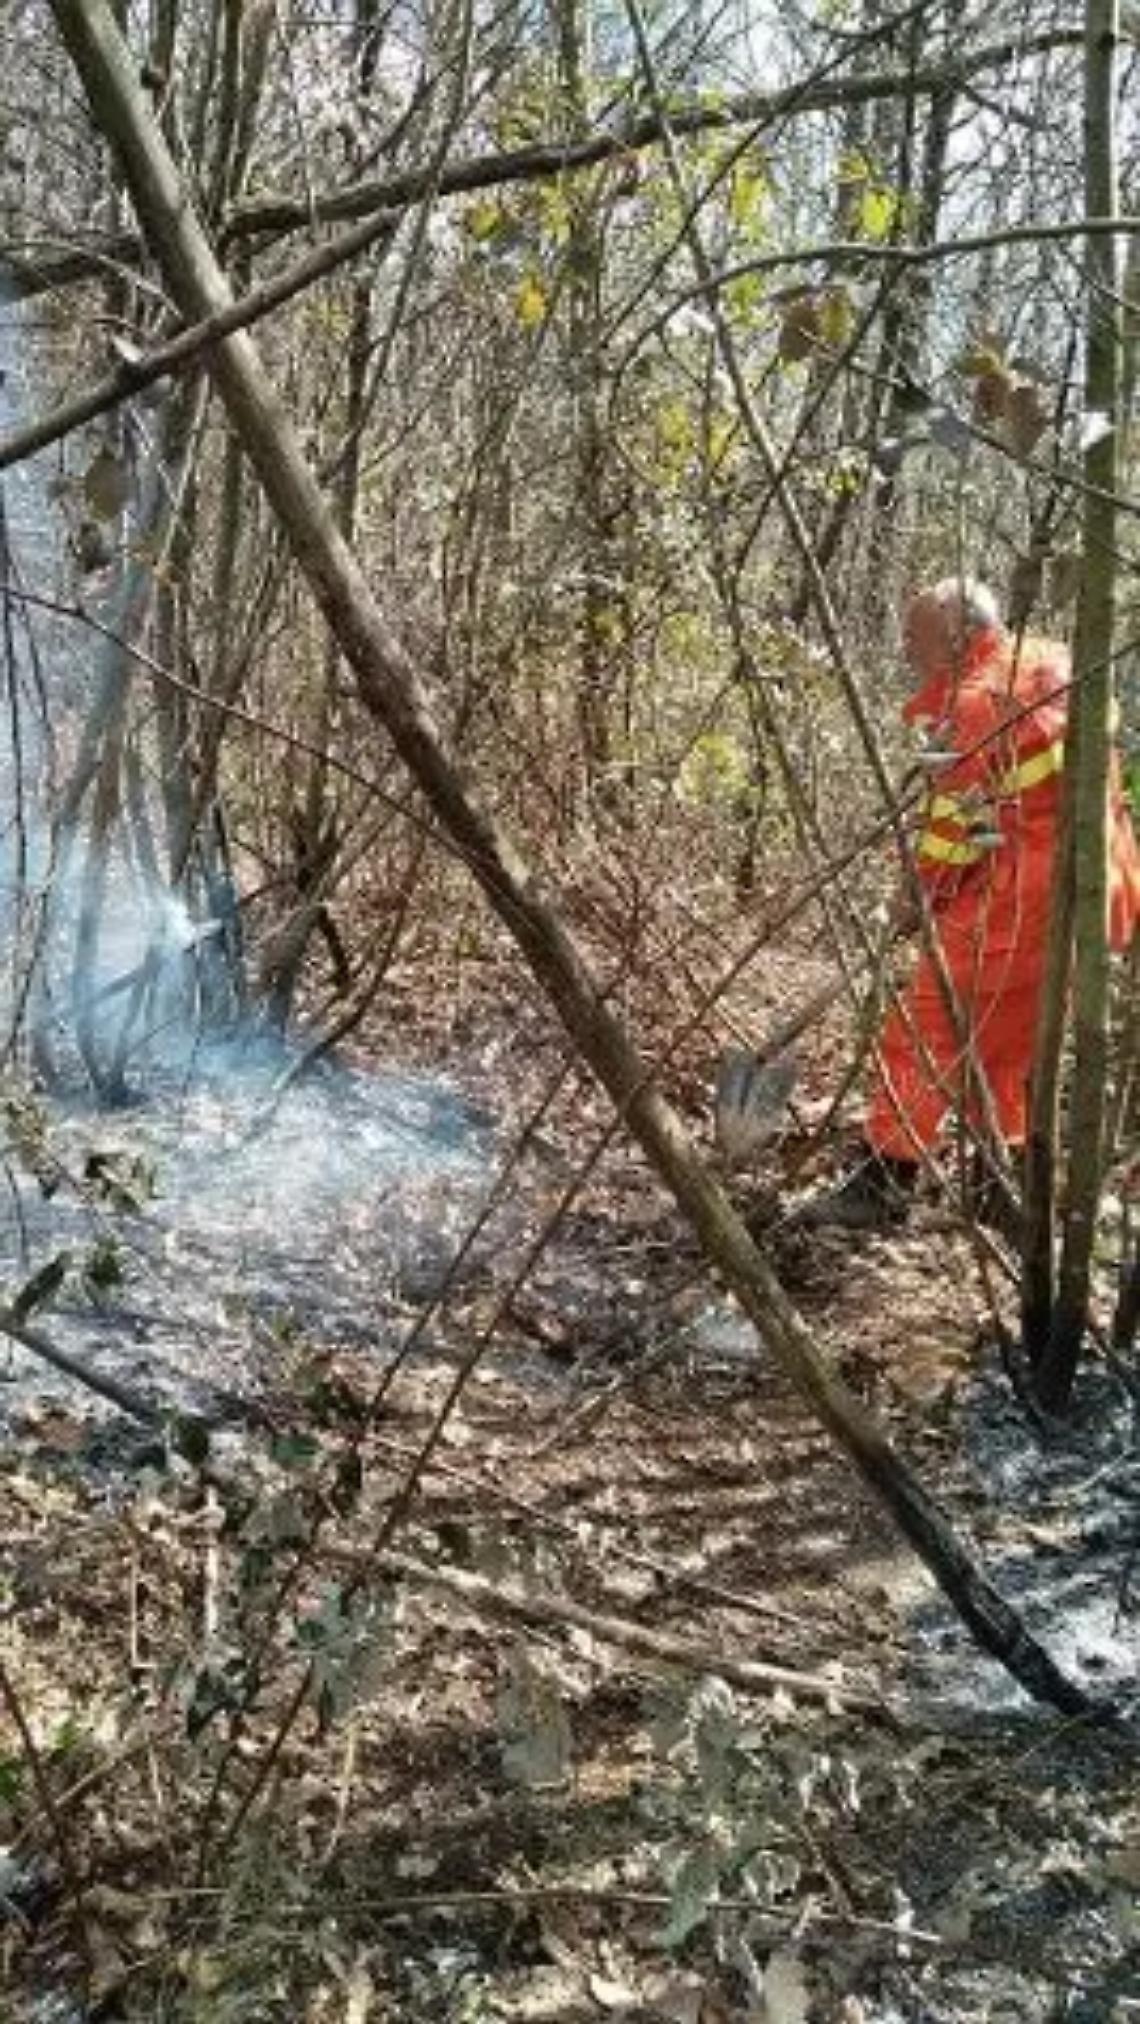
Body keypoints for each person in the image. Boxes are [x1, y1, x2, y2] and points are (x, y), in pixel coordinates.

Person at [810, 577, 1140, 1231]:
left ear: (960, 636)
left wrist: (920, 898)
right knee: (1010, 1049)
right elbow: (1003, 814)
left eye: (916, 638)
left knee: (922, 1029)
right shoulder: (1055, 660)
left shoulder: (970, 710)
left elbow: (951, 839)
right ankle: (1002, 1191)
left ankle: (883, 1182)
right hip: (1098, 889)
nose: (908, 650)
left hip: (1021, 904)